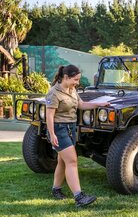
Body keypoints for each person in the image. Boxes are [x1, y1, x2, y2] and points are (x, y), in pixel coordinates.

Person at [46, 65, 109, 207]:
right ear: (66, 77)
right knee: (72, 161)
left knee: (63, 161)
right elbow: (49, 116)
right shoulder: (54, 93)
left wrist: (99, 104)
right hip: (58, 129)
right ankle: (79, 197)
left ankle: (56, 190)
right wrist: (52, 134)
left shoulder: (72, 90)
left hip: (70, 128)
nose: (77, 83)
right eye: (75, 79)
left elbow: (81, 104)